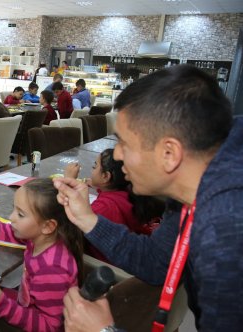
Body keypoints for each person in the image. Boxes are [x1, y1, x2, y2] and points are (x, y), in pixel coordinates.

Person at [54, 65, 243, 331]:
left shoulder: (227, 233)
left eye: (124, 144)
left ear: (169, 153)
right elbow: (156, 262)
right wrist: (87, 219)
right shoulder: (190, 191)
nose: (117, 156)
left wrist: (103, 330)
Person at [0, 178, 83, 331]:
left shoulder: (51, 269)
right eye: (14, 209)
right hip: (25, 302)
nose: (11, 217)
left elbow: (50, 326)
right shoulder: (38, 237)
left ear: (48, 226)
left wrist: (2, 305)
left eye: (20, 214)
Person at [63, 148, 164, 263]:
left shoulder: (104, 208)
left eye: (95, 167)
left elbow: (70, 228)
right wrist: (101, 187)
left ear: (106, 176)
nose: (92, 170)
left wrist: (68, 179)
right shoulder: (129, 193)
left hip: (102, 265)